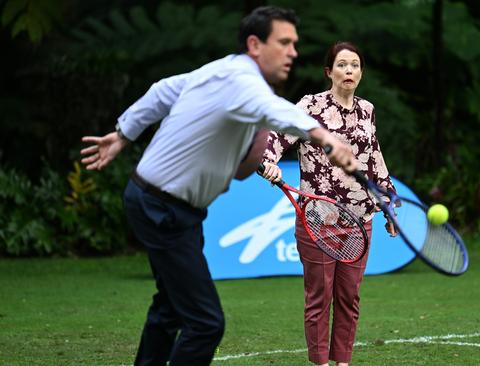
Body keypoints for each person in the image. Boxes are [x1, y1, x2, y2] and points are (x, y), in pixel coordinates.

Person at [79, 7, 358, 366]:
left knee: (170, 309)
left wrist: (123, 134)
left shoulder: (219, 71)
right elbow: (276, 110)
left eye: (295, 44)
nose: (293, 52)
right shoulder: (244, 84)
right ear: (255, 44)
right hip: (160, 207)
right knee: (206, 324)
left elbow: (162, 91)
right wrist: (326, 138)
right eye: (285, 43)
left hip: (170, 208)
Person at [259, 41, 396, 366]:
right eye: (342, 65)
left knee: (349, 298)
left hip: (359, 219)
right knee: (319, 299)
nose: (349, 71)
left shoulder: (368, 110)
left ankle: (343, 363)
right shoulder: (310, 106)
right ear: (329, 71)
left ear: (360, 73)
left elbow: (374, 158)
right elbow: (277, 137)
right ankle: (320, 363)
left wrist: (388, 201)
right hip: (318, 220)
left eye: (355, 65)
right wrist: (267, 161)